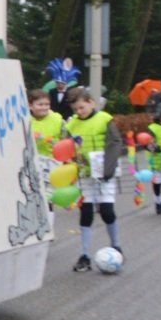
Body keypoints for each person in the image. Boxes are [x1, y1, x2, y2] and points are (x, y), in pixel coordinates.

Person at [63, 87, 124, 272]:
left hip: (105, 172)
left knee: (106, 212)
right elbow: (67, 146)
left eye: (82, 107)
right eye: (75, 109)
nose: (79, 112)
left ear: (91, 102)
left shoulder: (105, 119)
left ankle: (116, 246)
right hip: (85, 174)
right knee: (86, 213)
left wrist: (108, 169)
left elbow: (115, 143)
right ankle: (85, 255)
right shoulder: (72, 125)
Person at [30, 88, 65, 184]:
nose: (44, 107)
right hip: (33, 163)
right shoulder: (25, 120)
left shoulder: (58, 119)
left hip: (54, 163)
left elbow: (66, 140)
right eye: (40, 105)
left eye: (47, 104)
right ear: (30, 106)